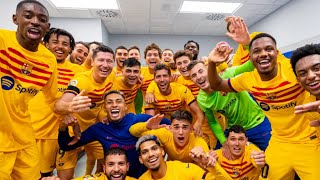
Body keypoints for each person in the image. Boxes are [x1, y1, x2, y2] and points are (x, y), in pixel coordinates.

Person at [207, 33, 320, 179]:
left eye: (269, 49)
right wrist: (211, 63)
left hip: (309, 141)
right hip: (279, 142)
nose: (263, 54)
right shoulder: (248, 79)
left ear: (276, 52)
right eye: (256, 51)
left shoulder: (293, 70)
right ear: (250, 57)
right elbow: (216, 85)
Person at [0, 0, 58, 179]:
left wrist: (70, 110)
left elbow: (53, 100)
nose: (35, 22)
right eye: (28, 16)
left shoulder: (48, 60)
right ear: (15, 19)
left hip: (24, 137)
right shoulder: (2, 40)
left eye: (41, 19)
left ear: (47, 27)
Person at [58, 90, 171, 178]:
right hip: (115, 177)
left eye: (118, 101)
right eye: (109, 102)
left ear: (125, 107)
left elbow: (172, 125)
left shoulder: (140, 119)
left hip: (144, 177)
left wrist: (166, 130)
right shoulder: (99, 128)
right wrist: (62, 127)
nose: (114, 105)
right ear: (105, 108)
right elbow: (67, 145)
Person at [54, 45, 116, 179]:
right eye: (100, 60)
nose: (105, 65)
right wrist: (70, 107)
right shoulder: (82, 80)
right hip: (72, 134)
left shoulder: (112, 77)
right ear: (92, 62)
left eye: (109, 61)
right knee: (65, 177)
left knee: (105, 168)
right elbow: (58, 106)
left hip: (94, 131)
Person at [28, 28, 83, 178]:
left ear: (71, 49)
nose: (60, 46)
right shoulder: (35, 66)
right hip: (39, 133)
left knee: (66, 177)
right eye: (55, 42)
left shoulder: (78, 71)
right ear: (45, 44)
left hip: (66, 133)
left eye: (65, 44)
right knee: (42, 175)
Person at [187, 60, 271, 151]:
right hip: (235, 130)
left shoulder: (227, 76)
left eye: (201, 71)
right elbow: (213, 122)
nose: (199, 77)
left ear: (208, 71)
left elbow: (250, 65)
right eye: (194, 75)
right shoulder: (201, 99)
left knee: (272, 155)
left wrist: (250, 47)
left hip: (257, 123)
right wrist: (223, 141)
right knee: (217, 156)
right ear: (192, 80)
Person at [144, 64, 205, 136]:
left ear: (170, 78)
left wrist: (198, 123)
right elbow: (150, 119)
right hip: (164, 124)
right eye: (158, 77)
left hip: (182, 122)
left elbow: (199, 112)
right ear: (154, 80)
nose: (162, 79)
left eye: (165, 76)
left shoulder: (182, 90)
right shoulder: (150, 95)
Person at [136, 135, 233, 180]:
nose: (150, 154)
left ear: (162, 151)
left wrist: (212, 166)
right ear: (141, 159)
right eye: (145, 152)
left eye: (154, 149)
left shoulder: (185, 169)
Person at [130, 110, 209, 164]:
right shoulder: (165, 134)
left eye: (185, 127)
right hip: (170, 171)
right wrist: (146, 126)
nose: (180, 132)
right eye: (176, 127)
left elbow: (207, 162)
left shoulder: (198, 141)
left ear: (191, 129)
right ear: (170, 128)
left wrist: (203, 155)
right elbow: (133, 131)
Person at [290, 44, 320, 130]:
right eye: (303, 73)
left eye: (317, 68)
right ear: (299, 81)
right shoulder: (309, 107)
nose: (311, 76)